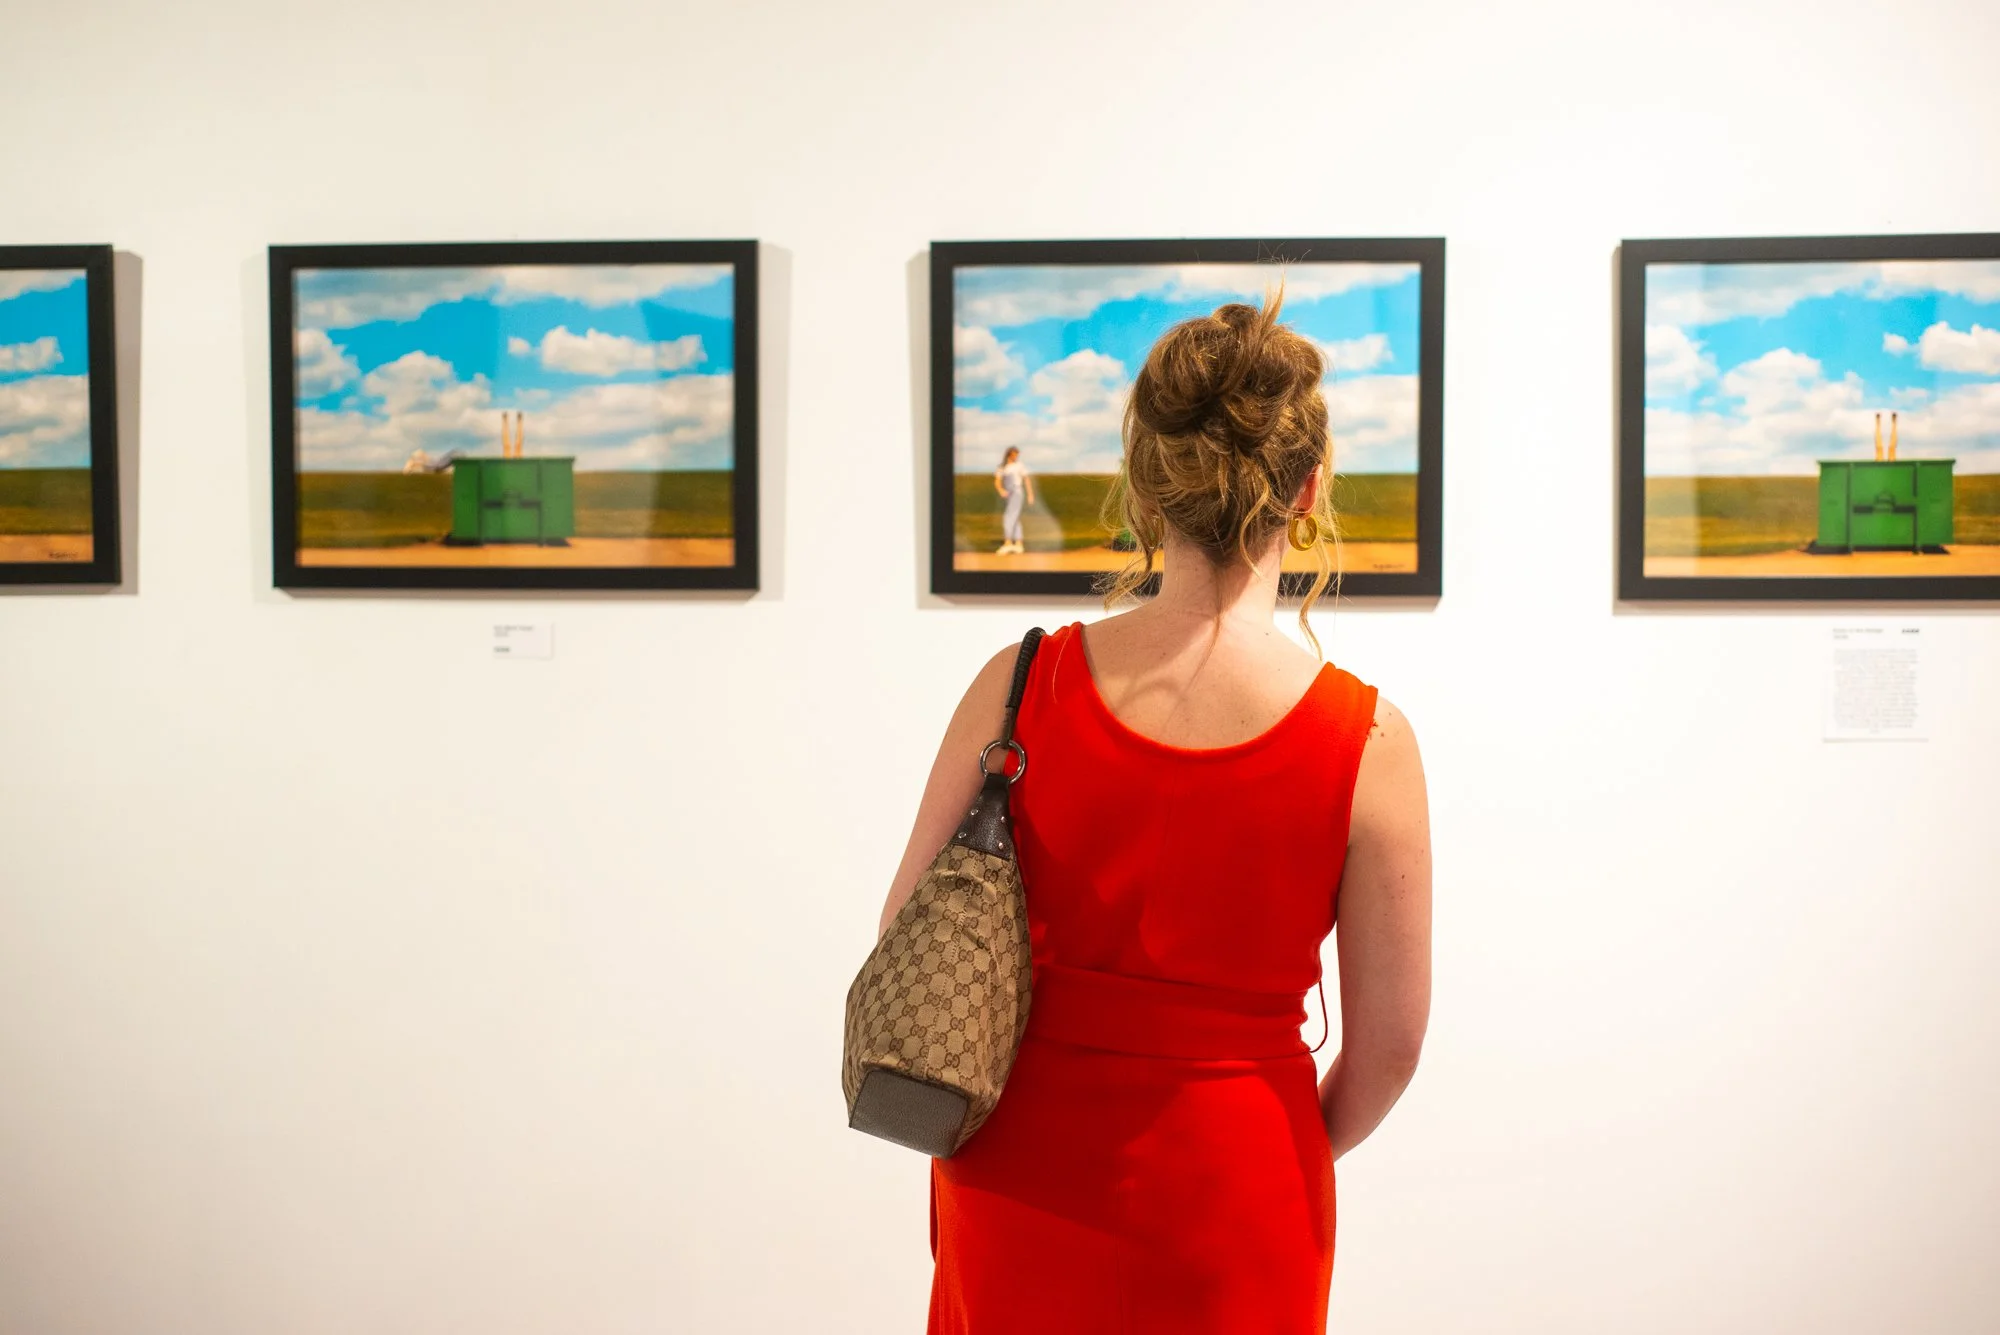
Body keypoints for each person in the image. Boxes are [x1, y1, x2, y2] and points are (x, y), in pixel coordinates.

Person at [878, 297, 1432, 1333]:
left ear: (1145, 484)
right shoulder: (1368, 740)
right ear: (1305, 491)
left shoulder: (1019, 683)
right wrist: (1265, 1144)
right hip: (1240, 1180)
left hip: (1012, 1168)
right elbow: (1390, 1046)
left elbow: (904, 935)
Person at [993, 446, 1033, 554]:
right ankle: (1019, 543)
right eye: (1014, 454)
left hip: (1017, 491)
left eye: (1017, 455)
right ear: (1009, 455)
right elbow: (997, 481)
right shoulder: (1002, 467)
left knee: (1009, 516)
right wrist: (1001, 490)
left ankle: (1008, 542)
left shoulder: (1019, 466)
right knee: (1014, 516)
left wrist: (1030, 495)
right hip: (1008, 493)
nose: (1016, 457)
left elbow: (1026, 480)